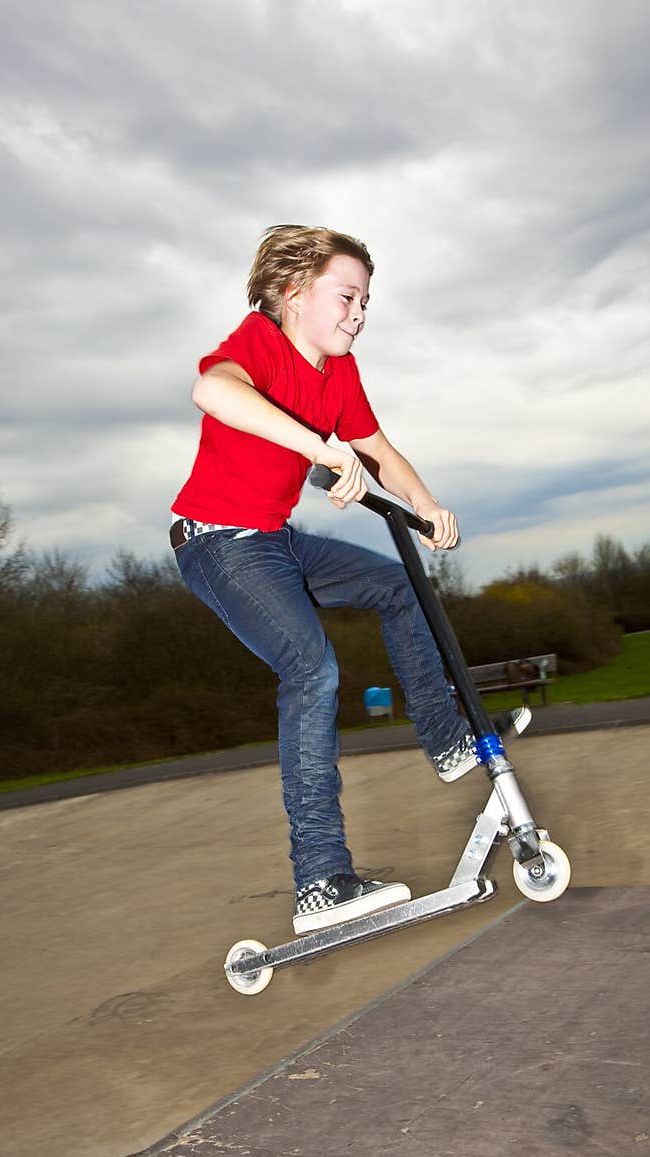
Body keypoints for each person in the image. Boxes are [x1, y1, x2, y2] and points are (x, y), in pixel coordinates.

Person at [170, 224, 478, 935]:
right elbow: (211, 390)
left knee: (401, 584)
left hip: (277, 543)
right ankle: (320, 881)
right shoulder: (261, 342)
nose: (358, 314)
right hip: (219, 547)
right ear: (292, 293)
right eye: (346, 296)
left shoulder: (341, 375)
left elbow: (382, 451)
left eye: (366, 302)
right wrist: (320, 449)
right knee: (313, 670)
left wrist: (427, 508)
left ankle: (445, 739)